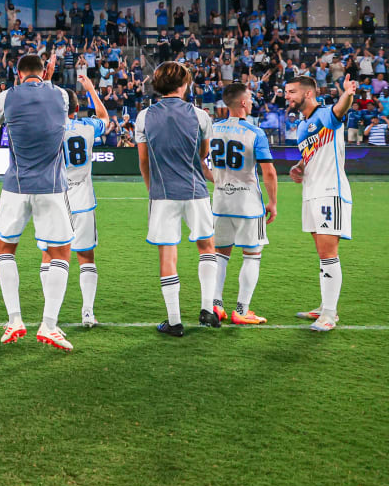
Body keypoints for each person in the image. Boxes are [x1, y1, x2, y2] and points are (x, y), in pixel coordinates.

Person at [0, 52, 75, 352]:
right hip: (51, 186)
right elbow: (48, 100)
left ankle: (15, 319)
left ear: (18, 72)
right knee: (60, 253)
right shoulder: (61, 95)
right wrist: (46, 82)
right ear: (44, 71)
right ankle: (49, 325)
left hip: (16, 185)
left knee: (5, 248)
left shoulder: (8, 96)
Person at [136, 61, 217, 338]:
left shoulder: (144, 116)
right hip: (196, 192)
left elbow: (143, 161)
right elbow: (203, 153)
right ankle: (208, 310)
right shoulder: (201, 116)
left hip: (163, 195)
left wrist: (152, 189)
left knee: (167, 255)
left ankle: (174, 321)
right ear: (184, 85)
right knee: (207, 247)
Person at [35, 72, 107, 329]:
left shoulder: (45, 128)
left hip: (53, 200)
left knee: (48, 256)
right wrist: (91, 88)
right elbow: (105, 119)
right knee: (86, 258)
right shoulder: (87, 127)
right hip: (82, 201)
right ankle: (87, 312)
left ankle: (49, 310)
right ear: (77, 109)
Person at [284, 75, 356, 332]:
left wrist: (347, 94)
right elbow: (310, 154)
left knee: (328, 254)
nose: (287, 96)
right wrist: (299, 166)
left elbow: (340, 109)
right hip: (311, 192)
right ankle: (326, 305)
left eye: (291, 91)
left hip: (329, 192)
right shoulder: (303, 126)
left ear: (308, 94)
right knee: (322, 255)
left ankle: (328, 314)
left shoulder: (326, 114)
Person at [206, 83, 278, 326]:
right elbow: (268, 173)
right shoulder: (255, 133)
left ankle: (216, 307)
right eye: (249, 97)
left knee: (220, 255)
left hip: (221, 203)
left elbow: (200, 163)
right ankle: (242, 310)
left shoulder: (212, 130)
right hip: (248, 205)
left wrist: (219, 180)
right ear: (243, 103)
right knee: (252, 255)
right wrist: (273, 202)